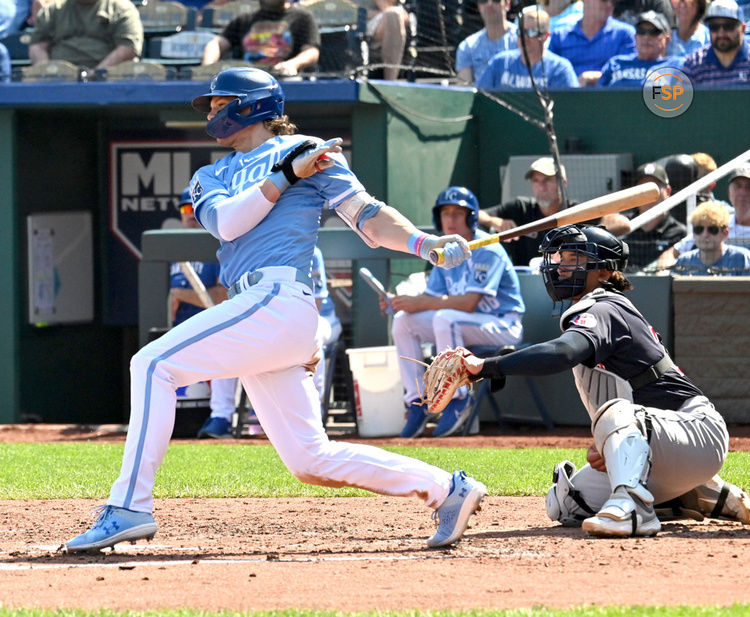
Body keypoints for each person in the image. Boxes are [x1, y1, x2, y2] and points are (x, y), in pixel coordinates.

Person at [63, 66, 486, 553]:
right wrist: (285, 177)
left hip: (279, 298)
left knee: (152, 364)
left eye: (221, 103)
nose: (213, 113)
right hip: (258, 308)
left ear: (253, 104)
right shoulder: (210, 175)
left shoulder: (306, 150)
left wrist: (423, 242)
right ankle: (447, 489)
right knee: (311, 459)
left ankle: (128, 506)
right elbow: (227, 223)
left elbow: (367, 218)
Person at [452, 223, 750, 537]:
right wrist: (614, 448)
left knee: (614, 411)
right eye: (560, 258)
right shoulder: (596, 309)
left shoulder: (605, 305)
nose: (561, 267)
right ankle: (702, 496)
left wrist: (487, 366)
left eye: (574, 259)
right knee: (566, 503)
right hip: (665, 444)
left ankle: (634, 509)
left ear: (604, 273)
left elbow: (563, 352)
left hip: (697, 430)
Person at [386, 186, 524, 439]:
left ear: (470, 217)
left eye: (457, 214)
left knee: (445, 318)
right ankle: (416, 401)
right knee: (403, 322)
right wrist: (405, 302)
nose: (450, 219)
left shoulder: (488, 248)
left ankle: (458, 398)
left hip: (503, 325)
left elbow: (469, 303)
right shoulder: (445, 252)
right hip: (464, 325)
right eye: (445, 213)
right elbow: (432, 298)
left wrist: (421, 304)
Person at [169, 188, 236, 439]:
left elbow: (222, 296)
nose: (190, 215)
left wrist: (180, 294)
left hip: (213, 330)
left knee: (226, 348)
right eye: (185, 210)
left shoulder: (221, 246)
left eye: (195, 209)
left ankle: (222, 419)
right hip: (180, 334)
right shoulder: (173, 249)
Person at [478, 157, 629, 266]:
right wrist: (494, 221)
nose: (541, 187)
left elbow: (622, 223)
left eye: (547, 180)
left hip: (568, 282)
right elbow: (475, 214)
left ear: (563, 183)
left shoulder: (578, 211)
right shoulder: (520, 208)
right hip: (527, 283)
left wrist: (582, 243)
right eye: (536, 181)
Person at [657, 164, 750, 269]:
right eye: (738, 186)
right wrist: (664, 272)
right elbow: (671, 254)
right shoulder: (714, 224)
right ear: (729, 192)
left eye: (749, 187)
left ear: (725, 233)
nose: (743, 192)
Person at [201, 0, 320, 76]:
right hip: (247, 78)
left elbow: (311, 51)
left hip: (284, 77)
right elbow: (216, 43)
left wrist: (293, 64)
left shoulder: (302, 17)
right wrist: (207, 68)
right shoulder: (245, 19)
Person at [476, 6, 579, 90]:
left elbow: (570, 109)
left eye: (532, 32)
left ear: (545, 36)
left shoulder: (560, 69)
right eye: (521, 32)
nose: (525, 38)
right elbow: (478, 96)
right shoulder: (500, 62)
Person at [28, 0, 143, 70]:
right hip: (60, 79)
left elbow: (128, 47)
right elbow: (37, 46)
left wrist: (97, 73)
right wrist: (47, 71)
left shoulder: (122, 8)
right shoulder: (53, 10)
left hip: (108, 80)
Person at [548, 0, 636, 86]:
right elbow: (549, 71)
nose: (609, 5)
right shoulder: (560, 36)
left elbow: (630, 71)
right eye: (604, 0)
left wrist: (594, 77)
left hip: (610, 96)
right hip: (568, 96)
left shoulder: (625, 34)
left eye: (613, 2)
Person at [621, 162, 686, 271]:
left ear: (668, 191)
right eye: (643, 187)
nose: (649, 194)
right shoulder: (622, 227)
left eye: (654, 188)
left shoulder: (680, 234)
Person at [598, 10, 679, 87]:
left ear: (667, 39)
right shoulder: (615, 63)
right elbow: (598, 95)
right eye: (641, 31)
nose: (646, 37)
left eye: (654, 32)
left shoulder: (676, 66)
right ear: (635, 37)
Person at [681, 0, 750, 86]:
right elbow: (682, 98)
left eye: (728, 26)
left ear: (743, 29)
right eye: (714, 27)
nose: (721, 34)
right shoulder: (694, 64)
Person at [672, 201, 750, 275]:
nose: (705, 234)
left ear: (725, 233)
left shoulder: (743, 259)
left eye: (712, 229)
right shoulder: (683, 261)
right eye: (699, 229)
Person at [455, 0, 518, 85]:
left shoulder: (524, 39)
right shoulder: (467, 46)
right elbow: (464, 90)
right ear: (479, 7)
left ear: (507, 4)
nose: (489, 4)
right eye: (483, 0)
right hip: (482, 97)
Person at [310, 245, 342, 405]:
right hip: (283, 322)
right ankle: (221, 415)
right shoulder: (261, 250)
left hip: (324, 319)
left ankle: (315, 405)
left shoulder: (311, 251)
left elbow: (314, 309)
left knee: (311, 333)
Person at [364, 0, 409, 81]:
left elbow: (403, 15)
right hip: (354, 20)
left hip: (376, 19)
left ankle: (390, 83)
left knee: (393, 16)